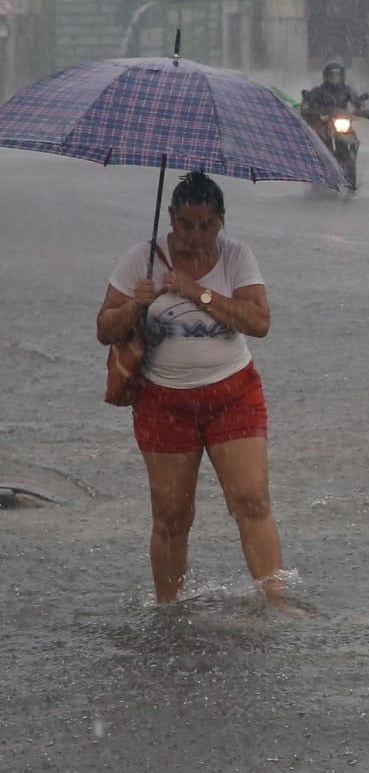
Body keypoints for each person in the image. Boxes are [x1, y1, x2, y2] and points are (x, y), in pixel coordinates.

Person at [95, 171, 291, 607]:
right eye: (186, 224)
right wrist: (134, 304)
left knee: (251, 501)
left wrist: (196, 293)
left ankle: (275, 600)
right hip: (163, 402)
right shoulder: (140, 261)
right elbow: (104, 329)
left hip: (233, 396)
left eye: (207, 225)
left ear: (221, 220)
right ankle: (169, 608)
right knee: (170, 517)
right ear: (170, 218)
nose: (196, 235)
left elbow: (259, 322)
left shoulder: (237, 257)